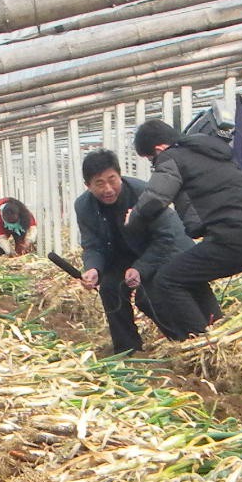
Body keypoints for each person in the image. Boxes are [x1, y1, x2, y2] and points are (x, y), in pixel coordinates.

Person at [129, 119, 242, 340]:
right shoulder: (212, 153)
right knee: (188, 274)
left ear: (159, 149)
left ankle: (204, 343)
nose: (154, 164)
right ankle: (216, 329)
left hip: (235, 238)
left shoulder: (172, 157)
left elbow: (154, 199)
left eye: (151, 159)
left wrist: (133, 218)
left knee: (167, 279)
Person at [73, 149, 193, 356]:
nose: (108, 189)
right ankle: (128, 349)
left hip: (165, 250)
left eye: (112, 180)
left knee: (147, 296)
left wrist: (140, 268)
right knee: (110, 287)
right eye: (99, 183)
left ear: (120, 175)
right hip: (126, 253)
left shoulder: (144, 194)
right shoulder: (84, 206)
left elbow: (165, 238)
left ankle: (184, 340)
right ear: (88, 186)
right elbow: (93, 245)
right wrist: (93, 268)